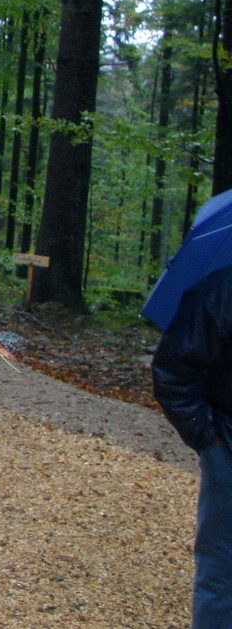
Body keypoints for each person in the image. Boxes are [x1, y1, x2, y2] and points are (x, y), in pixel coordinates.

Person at [152, 265, 232, 628]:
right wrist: (209, 439)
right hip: (228, 453)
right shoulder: (221, 291)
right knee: (221, 569)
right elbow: (173, 369)